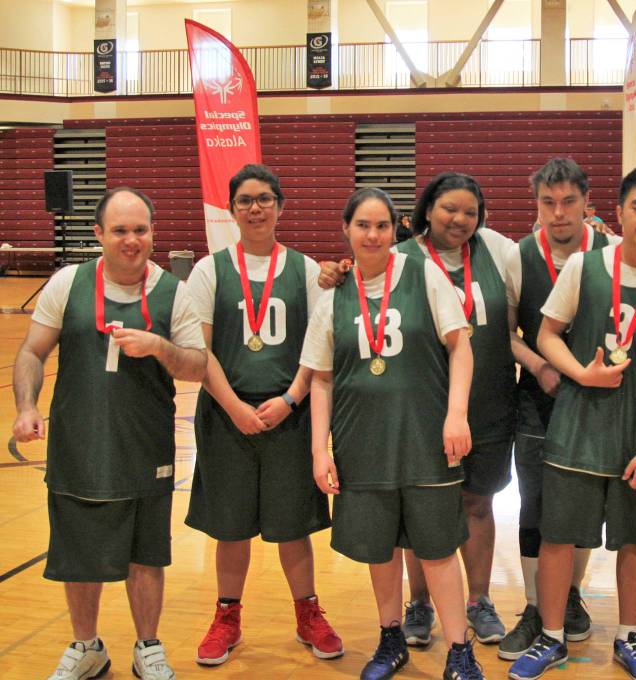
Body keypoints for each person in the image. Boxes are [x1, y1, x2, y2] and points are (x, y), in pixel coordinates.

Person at [507, 164, 636, 680]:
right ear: (617, 211)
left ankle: (628, 635)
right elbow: (546, 335)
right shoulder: (584, 268)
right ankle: (550, 637)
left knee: (635, 538)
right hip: (576, 422)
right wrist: (580, 375)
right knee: (558, 535)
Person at [12, 187, 207, 680]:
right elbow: (32, 352)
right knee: (78, 553)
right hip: (77, 443)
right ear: (99, 233)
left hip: (145, 445)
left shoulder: (173, 292)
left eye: (140, 230)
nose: (131, 240)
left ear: (153, 234)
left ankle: (148, 647)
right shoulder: (67, 284)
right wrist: (27, 405)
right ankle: (87, 647)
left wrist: (160, 347)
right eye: (120, 230)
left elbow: (198, 366)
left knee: (147, 553)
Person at [301, 187, 484, 680]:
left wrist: (457, 414)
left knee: (438, 550)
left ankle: (460, 650)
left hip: (427, 440)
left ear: (395, 229)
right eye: (363, 225)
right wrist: (321, 450)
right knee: (379, 550)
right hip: (362, 444)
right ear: (347, 230)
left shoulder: (424, 274)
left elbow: (460, 347)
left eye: (382, 225)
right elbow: (320, 377)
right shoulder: (333, 294)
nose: (373, 234)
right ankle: (390, 639)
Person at [184, 164, 343, 667]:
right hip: (225, 416)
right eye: (245, 200)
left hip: (288, 415)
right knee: (229, 528)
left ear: (280, 206)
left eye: (264, 199)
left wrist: (291, 400)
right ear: (231, 210)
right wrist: (234, 407)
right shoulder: (210, 269)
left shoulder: (305, 269)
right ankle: (227, 617)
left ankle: (308, 612)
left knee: (292, 526)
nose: (255, 208)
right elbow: (199, 351)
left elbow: (319, 353)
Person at [500, 158, 621, 661]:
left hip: (596, 397)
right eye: (548, 203)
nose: (558, 213)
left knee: (581, 505)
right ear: (537, 206)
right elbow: (508, 333)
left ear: (586, 203)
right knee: (535, 503)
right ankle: (534, 605)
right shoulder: (519, 256)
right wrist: (540, 366)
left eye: (568, 201)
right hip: (538, 396)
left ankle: (568, 595)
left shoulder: (611, 254)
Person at [395, 173, 517, 648]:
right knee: (421, 508)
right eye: (449, 209)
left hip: (487, 404)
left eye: (470, 212)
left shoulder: (497, 253)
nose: (460, 219)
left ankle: (479, 600)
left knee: (477, 501)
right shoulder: (399, 258)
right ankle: (419, 603)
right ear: (427, 210)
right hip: (420, 409)